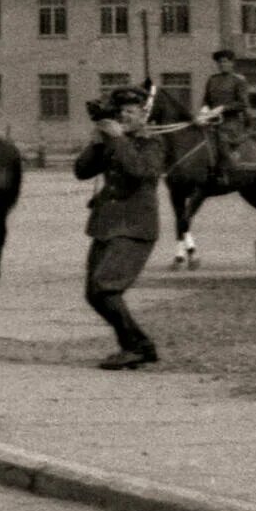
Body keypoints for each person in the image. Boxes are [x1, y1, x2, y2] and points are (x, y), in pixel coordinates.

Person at [72, 84, 164, 369]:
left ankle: (138, 346)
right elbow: (82, 171)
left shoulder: (152, 143)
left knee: (105, 287)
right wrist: (98, 141)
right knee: (93, 292)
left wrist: (119, 139)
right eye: (121, 111)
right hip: (107, 225)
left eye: (131, 111)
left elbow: (140, 172)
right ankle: (135, 346)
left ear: (143, 116)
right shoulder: (113, 140)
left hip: (135, 227)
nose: (124, 116)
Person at [201, 49, 256, 183]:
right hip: (212, 120)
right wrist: (204, 110)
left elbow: (243, 104)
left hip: (231, 122)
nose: (222, 64)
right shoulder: (212, 80)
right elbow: (206, 100)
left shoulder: (238, 80)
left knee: (221, 139)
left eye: (225, 62)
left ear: (232, 63)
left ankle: (225, 172)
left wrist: (223, 108)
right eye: (219, 62)